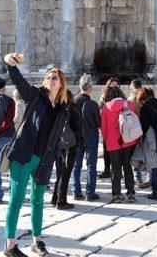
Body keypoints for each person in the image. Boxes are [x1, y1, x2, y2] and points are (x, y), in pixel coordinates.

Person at [3, 52, 70, 257]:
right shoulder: (35, 96)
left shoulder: (62, 108)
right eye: (48, 76)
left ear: (61, 83)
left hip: (43, 160)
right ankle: (10, 245)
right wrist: (10, 63)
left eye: (54, 77)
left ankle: (37, 241)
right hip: (25, 155)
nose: (51, 79)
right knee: (16, 200)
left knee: (38, 201)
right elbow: (18, 80)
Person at [101, 86, 139, 204]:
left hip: (113, 142)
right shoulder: (129, 105)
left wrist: (107, 141)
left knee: (115, 168)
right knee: (128, 166)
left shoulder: (106, 107)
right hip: (128, 140)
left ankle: (116, 194)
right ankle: (131, 192)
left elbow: (104, 128)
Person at [51, 90, 83, 210]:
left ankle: (55, 197)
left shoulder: (57, 110)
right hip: (70, 146)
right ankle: (61, 201)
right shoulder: (72, 110)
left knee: (60, 172)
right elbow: (77, 129)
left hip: (58, 144)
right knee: (65, 174)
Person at [72, 74, 101, 202]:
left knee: (76, 165)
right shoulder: (93, 104)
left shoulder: (73, 101)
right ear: (90, 88)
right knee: (91, 166)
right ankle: (90, 193)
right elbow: (98, 123)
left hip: (76, 137)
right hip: (91, 137)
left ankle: (76, 192)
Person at [128, 78, 149, 188]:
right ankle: (149, 178)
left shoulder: (130, 100)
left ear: (131, 88)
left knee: (135, 155)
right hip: (146, 129)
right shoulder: (146, 97)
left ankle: (138, 178)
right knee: (148, 153)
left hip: (135, 131)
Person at [98, 77, 120, 179]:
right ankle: (107, 170)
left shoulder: (121, 98)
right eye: (112, 85)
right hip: (107, 128)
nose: (114, 87)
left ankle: (118, 170)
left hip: (119, 128)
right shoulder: (104, 98)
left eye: (116, 85)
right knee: (106, 150)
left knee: (119, 151)